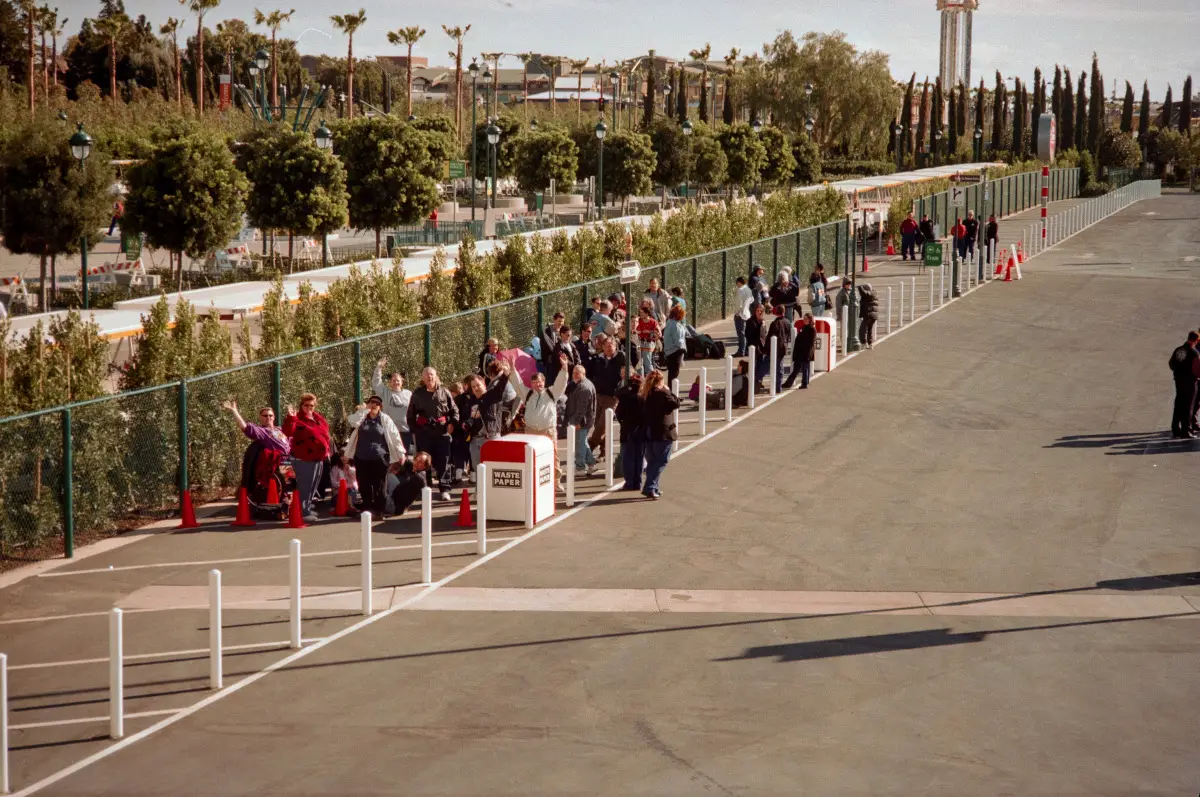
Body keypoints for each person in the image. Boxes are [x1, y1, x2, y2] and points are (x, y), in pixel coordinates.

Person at [345, 395, 406, 518]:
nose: (374, 405)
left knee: (380, 486)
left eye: (377, 403)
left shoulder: (385, 419)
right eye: (371, 402)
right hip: (361, 457)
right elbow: (352, 422)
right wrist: (363, 411)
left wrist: (401, 453)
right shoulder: (362, 417)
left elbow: (395, 436)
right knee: (364, 485)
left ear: (380, 407)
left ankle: (379, 511)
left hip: (380, 457)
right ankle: (366, 510)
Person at [222, 400, 291, 504]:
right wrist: (234, 411)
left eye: (270, 415)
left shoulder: (280, 429)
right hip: (280, 463)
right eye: (265, 416)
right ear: (260, 417)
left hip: (291, 459)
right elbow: (244, 427)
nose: (268, 417)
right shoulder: (262, 431)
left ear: (274, 417)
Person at [406, 367, 459, 501]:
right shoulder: (417, 394)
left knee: (444, 461)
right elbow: (410, 415)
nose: (429, 377)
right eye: (427, 375)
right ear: (423, 378)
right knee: (424, 461)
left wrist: (453, 423)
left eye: (432, 375)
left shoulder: (444, 392)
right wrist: (416, 429)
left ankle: (445, 489)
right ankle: (425, 487)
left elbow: (454, 411)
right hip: (424, 433)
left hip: (442, 432)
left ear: (436, 376)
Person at [520, 356, 570, 489]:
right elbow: (517, 384)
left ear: (544, 381)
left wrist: (564, 368)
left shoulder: (551, 392)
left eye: (540, 381)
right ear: (531, 384)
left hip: (548, 430)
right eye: (535, 382)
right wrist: (512, 369)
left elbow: (561, 383)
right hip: (530, 431)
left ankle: (556, 481)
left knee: (553, 456)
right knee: (531, 456)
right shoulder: (528, 394)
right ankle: (533, 481)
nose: (538, 384)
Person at [282, 393, 331, 523]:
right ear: (301, 405)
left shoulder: (318, 418)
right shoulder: (296, 418)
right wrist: (291, 418)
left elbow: (325, 433)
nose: (309, 407)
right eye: (306, 405)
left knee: (313, 485)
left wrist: (326, 450)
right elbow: (288, 432)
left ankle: (307, 508)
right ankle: (302, 512)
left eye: (312, 405)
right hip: (303, 458)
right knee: (305, 485)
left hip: (318, 457)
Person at [462, 358, 515, 476]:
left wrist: (506, 374)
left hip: (491, 437)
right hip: (475, 440)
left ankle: (494, 494)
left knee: (494, 470)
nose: (476, 388)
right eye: (473, 386)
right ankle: (479, 493)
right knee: (478, 471)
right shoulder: (471, 401)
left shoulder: (492, 395)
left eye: (478, 385)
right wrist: (467, 422)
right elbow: (465, 417)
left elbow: (501, 386)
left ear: (484, 384)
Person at [639, 370, 680, 500]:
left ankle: (653, 486)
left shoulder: (646, 394)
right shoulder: (662, 394)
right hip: (662, 432)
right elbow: (675, 403)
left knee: (652, 461)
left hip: (649, 431)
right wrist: (667, 390)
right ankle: (650, 487)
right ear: (661, 381)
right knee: (661, 460)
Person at [589, 335, 626, 455]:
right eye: (606, 346)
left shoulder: (621, 357)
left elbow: (629, 369)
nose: (609, 348)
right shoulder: (598, 358)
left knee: (601, 425)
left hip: (612, 397)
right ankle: (604, 450)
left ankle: (589, 447)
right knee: (597, 424)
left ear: (615, 346)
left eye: (611, 346)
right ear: (603, 347)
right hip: (598, 395)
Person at [372, 359, 413, 453]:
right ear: (390, 382)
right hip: (389, 430)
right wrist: (379, 368)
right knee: (389, 455)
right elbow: (376, 383)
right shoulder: (385, 393)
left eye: (398, 381)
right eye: (393, 381)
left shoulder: (408, 394)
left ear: (402, 382)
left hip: (404, 430)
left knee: (402, 456)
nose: (396, 383)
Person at [564, 363, 598, 476]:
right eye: (573, 372)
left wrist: (575, 422)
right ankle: (592, 464)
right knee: (582, 442)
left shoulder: (584, 388)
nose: (575, 375)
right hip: (581, 419)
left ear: (584, 374)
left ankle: (580, 468)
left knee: (579, 445)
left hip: (581, 421)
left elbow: (582, 409)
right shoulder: (577, 384)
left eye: (577, 373)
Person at [615, 370, 645, 491]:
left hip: (627, 431)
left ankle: (629, 482)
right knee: (639, 457)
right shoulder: (643, 399)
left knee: (628, 458)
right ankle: (638, 481)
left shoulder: (625, 399)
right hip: (641, 432)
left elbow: (619, 414)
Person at [1168, 331, 1200, 439]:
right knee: (1189, 406)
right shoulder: (1194, 352)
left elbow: (1172, 364)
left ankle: (1176, 429)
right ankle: (1186, 431)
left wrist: (1179, 372)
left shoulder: (1180, 349)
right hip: (1190, 382)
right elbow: (1197, 371)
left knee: (1178, 404)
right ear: (1197, 340)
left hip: (1179, 380)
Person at [389, 452, 431, 516]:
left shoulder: (420, 477)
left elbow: (426, 496)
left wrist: (424, 513)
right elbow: (403, 458)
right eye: (416, 459)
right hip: (391, 497)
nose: (416, 462)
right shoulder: (410, 465)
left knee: (389, 477)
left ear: (425, 466)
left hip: (396, 506)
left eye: (420, 462)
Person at [783, 313, 816, 389]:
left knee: (805, 369)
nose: (804, 320)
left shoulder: (812, 329)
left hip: (806, 353)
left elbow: (811, 343)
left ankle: (804, 384)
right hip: (799, 352)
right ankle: (789, 383)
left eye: (806, 319)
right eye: (804, 319)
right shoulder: (803, 327)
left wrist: (808, 354)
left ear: (810, 320)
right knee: (796, 369)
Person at [766, 305, 792, 392]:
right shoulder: (788, 322)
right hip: (783, 347)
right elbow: (789, 335)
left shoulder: (774, 323)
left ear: (776, 312)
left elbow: (770, 336)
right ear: (784, 312)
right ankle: (778, 386)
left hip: (775, 347)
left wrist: (766, 348)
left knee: (773, 367)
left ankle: (776, 386)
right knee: (779, 367)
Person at [662, 304, 688, 387]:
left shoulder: (670, 323)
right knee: (674, 373)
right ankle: (673, 392)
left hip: (669, 351)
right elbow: (678, 340)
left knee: (671, 373)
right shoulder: (675, 325)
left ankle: (672, 391)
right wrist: (683, 348)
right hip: (675, 351)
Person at [744, 302, 766, 389]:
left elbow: (764, 333)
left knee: (761, 365)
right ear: (755, 311)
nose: (759, 313)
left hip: (762, 347)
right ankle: (753, 382)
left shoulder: (763, 321)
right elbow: (748, 334)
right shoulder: (750, 321)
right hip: (753, 346)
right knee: (753, 365)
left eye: (761, 311)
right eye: (758, 311)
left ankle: (759, 381)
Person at [635, 304, 660, 375]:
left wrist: (649, 332)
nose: (640, 314)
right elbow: (634, 329)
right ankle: (640, 379)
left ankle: (651, 378)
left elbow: (657, 333)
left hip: (648, 343)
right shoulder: (638, 321)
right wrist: (637, 332)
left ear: (647, 313)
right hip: (639, 342)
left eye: (642, 312)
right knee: (639, 362)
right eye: (640, 312)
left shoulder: (653, 322)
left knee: (647, 361)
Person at [733, 276, 753, 357]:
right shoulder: (748, 290)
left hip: (740, 314)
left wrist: (737, 313)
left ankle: (741, 351)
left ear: (739, 282)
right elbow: (752, 300)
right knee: (745, 333)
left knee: (741, 334)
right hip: (747, 313)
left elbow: (738, 304)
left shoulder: (740, 290)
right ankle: (745, 350)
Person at [857, 283, 879, 348]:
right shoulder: (874, 293)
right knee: (869, 329)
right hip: (874, 315)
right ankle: (870, 343)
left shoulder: (869, 294)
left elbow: (863, 293)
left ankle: (863, 343)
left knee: (862, 329)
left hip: (868, 314)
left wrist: (860, 287)